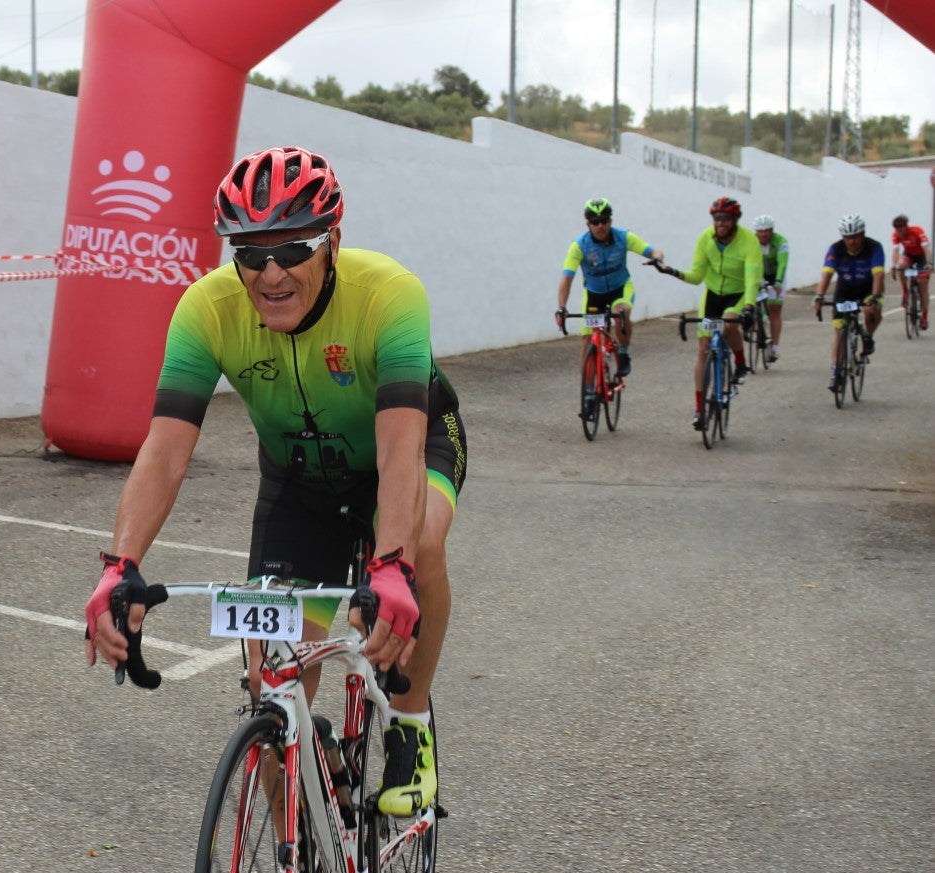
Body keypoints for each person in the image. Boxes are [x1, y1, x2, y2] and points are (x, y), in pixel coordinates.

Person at [83, 145, 465, 819]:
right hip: (299, 482)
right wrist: (120, 565)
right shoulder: (206, 308)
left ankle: (410, 724)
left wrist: (391, 565)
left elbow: (399, 443)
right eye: (249, 252)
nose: (269, 272)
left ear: (333, 243)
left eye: (292, 248)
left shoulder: (389, 293)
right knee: (272, 700)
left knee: (422, 545)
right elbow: (165, 450)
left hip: (404, 451)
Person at [555, 197, 666, 405]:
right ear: (588, 224)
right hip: (594, 293)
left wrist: (657, 258)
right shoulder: (579, 246)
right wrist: (562, 307)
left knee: (621, 312)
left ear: (610, 221)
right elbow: (566, 279)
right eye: (595, 222)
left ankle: (623, 353)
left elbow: (654, 251)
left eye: (604, 220)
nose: (600, 226)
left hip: (620, 288)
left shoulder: (624, 237)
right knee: (588, 342)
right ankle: (588, 392)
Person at [664, 196, 762, 431]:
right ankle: (699, 410)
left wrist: (748, 306)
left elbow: (752, 280)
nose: (721, 223)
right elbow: (697, 276)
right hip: (712, 296)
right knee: (702, 349)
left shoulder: (749, 241)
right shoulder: (705, 239)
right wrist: (674, 272)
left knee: (729, 323)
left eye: (726, 219)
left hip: (738, 294)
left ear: (735, 220)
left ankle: (740, 363)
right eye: (717, 219)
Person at [813, 214, 885, 394]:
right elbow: (827, 275)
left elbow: (878, 275)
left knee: (871, 310)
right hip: (845, 290)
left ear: (863, 234)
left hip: (869, 288)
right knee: (839, 332)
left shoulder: (874, 247)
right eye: (847, 237)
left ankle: (868, 336)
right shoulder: (835, 249)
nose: (852, 241)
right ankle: (836, 371)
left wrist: (874, 297)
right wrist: (819, 296)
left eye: (856, 236)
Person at [753, 215, 788, 362]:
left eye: (766, 231)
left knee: (775, 310)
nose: (763, 234)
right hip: (759, 274)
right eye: (760, 231)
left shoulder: (781, 242)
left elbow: (782, 264)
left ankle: (775, 347)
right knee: (750, 301)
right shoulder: (751, 241)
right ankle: (757, 318)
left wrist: (778, 282)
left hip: (776, 276)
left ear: (771, 231)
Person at [889, 213, 929, 330]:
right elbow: (896, 251)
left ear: (907, 225)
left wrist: (929, 264)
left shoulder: (917, 231)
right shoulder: (896, 235)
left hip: (922, 256)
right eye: (897, 228)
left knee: (923, 284)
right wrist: (894, 266)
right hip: (909, 255)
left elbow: (926, 248)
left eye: (902, 227)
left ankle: (924, 317)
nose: (900, 230)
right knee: (901, 266)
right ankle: (906, 291)